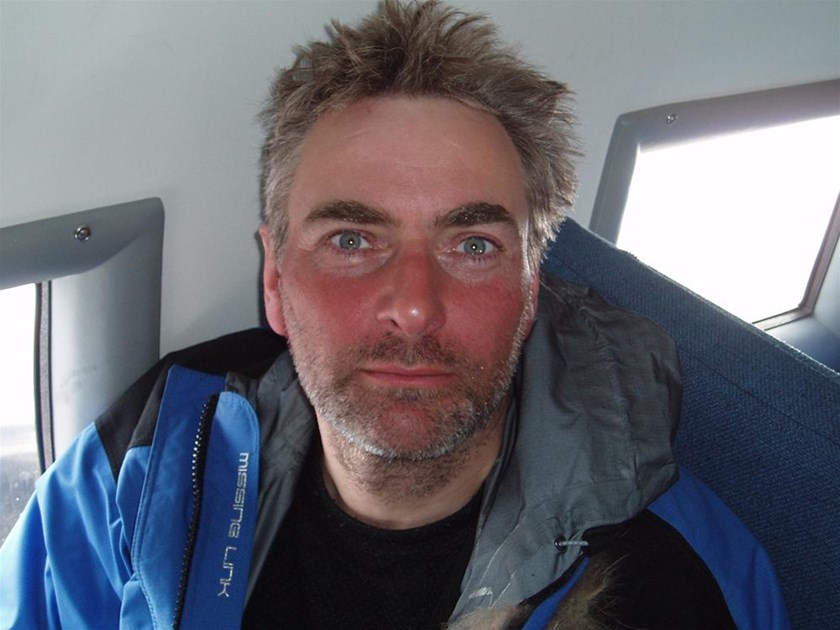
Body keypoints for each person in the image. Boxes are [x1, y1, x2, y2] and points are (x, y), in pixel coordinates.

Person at [0, 1, 789, 628]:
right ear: (274, 279)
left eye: (472, 245)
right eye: (352, 239)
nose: (414, 305)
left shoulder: (679, 578)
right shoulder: (143, 460)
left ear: (529, 293)